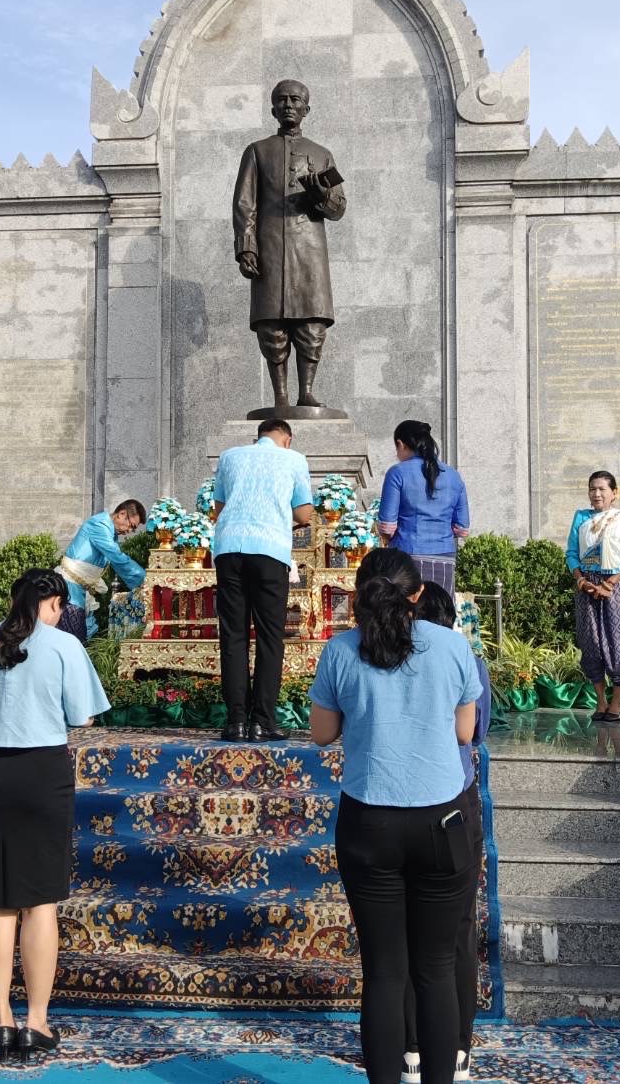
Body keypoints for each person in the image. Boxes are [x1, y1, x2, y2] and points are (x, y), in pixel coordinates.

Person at [309, 548, 482, 1084]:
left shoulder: (341, 650)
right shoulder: (452, 646)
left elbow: (321, 733)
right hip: (442, 821)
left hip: (370, 824)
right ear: (416, 595)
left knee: (383, 973)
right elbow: (464, 733)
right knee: (434, 971)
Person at [0, 569, 111, 1063]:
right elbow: (83, 715)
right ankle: (37, 1020)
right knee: (40, 900)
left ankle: (1, 1018)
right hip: (43, 768)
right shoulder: (64, 645)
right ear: (55, 605)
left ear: (12, 598)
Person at [400, 582, 490, 1084]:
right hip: (455, 802)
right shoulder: (467, 660)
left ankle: (412, 1048)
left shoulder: (387, 656)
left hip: (402, 801)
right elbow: (474, 733)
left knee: (408, 932)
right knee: (456, 932)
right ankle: (457, 1048)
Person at [233, 78, 348, 409]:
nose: (288, 105)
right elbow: (244, 203)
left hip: (309, 248)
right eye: (281, 100)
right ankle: (281, 395)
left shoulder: (322, 154)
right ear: (272, 108)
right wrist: (246, 246)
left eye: (295, 100)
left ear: (306, 109)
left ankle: (306, 391)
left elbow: (338, 208)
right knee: (272, 326)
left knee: (311, 323)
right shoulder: (257, 151)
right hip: (269, 245)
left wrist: (320, 194)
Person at [213, 418, 314, 743]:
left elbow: (219, 506)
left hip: (229, 548)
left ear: (257, 436)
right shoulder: (294, 458)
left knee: (233, 635)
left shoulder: (230, 456)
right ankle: (263, 721)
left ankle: (236, 722)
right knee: (270, 638)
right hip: (269, 550)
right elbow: (303, 514)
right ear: (288, 439)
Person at [564, 471, 620, 720]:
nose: (596, 493)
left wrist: (609, 583)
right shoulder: (580, 517)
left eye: (602, 489)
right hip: (586, 586)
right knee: (591, 642)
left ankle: (617, 701)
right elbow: (571, 552)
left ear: (614, 493)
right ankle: (600, 702)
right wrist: (580, 579)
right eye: (592, 489)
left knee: (617, 641)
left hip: (613, 587)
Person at [376, 420, 470, 593]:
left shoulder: (397, 473)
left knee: (405, 613)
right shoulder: (453, 476)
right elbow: (462, 529)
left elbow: (387, 527)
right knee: (439, 613)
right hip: (444, 559)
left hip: (406, 558)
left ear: (400, 444)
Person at [58, 500, 147, 643]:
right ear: (122, 514)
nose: (130, 531)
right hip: (70, 588)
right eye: (132, 526)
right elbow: (118, 559)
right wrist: (145, 579)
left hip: (80, 590)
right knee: (74, 642)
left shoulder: (109, 531)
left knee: (80, 640)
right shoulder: (99, 525)